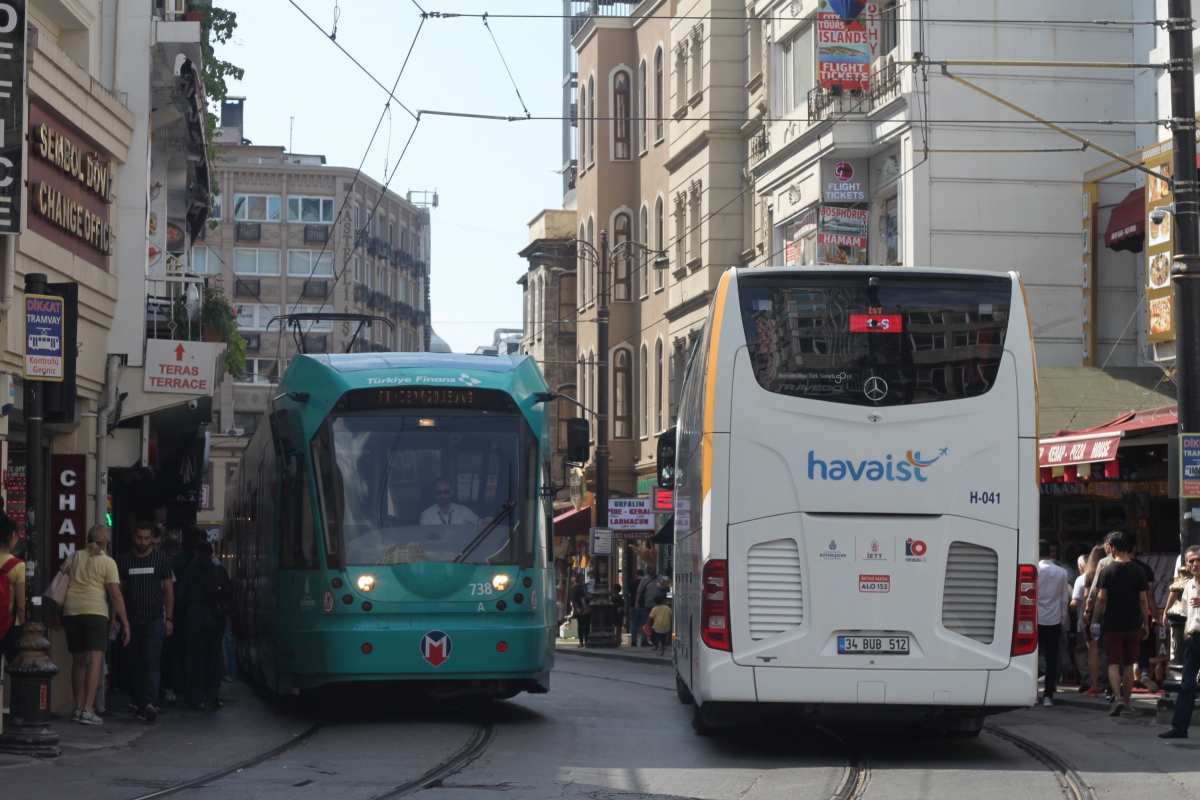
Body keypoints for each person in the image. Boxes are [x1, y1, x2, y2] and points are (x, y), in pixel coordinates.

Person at [62, 525, 130, 725]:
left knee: (78, 661)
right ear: (105, 542)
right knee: (94, 661)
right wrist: (125, 623)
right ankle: (88, 709)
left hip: (71, 611)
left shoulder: (74, 557)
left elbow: (61, 581)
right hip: (95, 612)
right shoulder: (107, 562)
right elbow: (115, 595)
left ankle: (78, 708)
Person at [117, 521, 175, 721]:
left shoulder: (160, 559)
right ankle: (140, 704)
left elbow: (169, 590)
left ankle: (151, 703)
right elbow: (119, 591)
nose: (143, 542)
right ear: (134, 537)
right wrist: (119, 619)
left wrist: (169, 618)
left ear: (152, 538)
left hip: (154, 619)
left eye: (147, 538)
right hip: (131, 620)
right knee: (135, 663)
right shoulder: (125, 560)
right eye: (140, 538)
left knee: (151, 661)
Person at [1092, 531, 1151, 717]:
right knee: (1128, 665)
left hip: (1113, 624)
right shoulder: (1139, 570)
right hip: (1133, 624)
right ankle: (1127, 703)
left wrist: (1093, 619)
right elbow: (1143, 600)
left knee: (1113, 663)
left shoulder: (1107, 570)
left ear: (1113, 547)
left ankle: (1117, 697)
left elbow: (1101, 598)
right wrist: (1146, 623)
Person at [178, 540, 231, 710]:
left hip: (195, 615)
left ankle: (196, 697)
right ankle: (212, 696)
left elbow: (180, 595)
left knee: (195, 658)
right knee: (213, 657)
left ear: (196, 553)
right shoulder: (218, 570)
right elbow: (229, 591)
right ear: (212, 553)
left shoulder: (190, 570)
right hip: (215, 617)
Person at [1160, 545, 1200, 739]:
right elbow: (1185, 613)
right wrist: (1186, 633)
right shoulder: (1189, 586)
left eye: (1199, 560)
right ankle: (1179, 727)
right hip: (1194, 639)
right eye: (1191, 561)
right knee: (1187, 684)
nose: (1195, 564)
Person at [1037, 539, 1070, 706]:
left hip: (1035, 619)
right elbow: (1064, 599)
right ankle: (1048, 695)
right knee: (1051, 658)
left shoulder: (1035, 570)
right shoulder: (1062, 572)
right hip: (1054, 619)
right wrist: (1063, 618)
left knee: (1031, 657)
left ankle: (1030, 691)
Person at [1072, 544, 1106, 695]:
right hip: (1109, 614)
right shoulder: (1111, 570)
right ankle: (1107, 681)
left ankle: (1093, 684)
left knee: (1092, 651)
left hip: (1092, 615)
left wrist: (1085, 614)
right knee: (1106, 650)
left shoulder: (1089, 575)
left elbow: (1086, 595)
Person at [0, 514, 24, 664]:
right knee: (18, 669)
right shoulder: (18, 566)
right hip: (10, 626)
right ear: (12, 536)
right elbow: (21, 605)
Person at [628, 568, 649, 647]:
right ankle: (644, 640)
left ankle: (634, 641)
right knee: (644, 624)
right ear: (644, 574)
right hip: (644, 604)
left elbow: (629, 592)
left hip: (633, 605)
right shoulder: (646, 582)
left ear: (636, 575)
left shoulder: (632, 583)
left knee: (635, 624)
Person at [571, 573, 590, 647]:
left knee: (587, 626)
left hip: (587, 608)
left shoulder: (585, 587)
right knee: (581, 626)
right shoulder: (575, 587)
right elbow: (573, 599)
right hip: (580, 608)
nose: (581, 580)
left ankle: (587, 641)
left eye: (582, 578)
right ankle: (581, 642)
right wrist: (577, 608)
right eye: (580, 579)